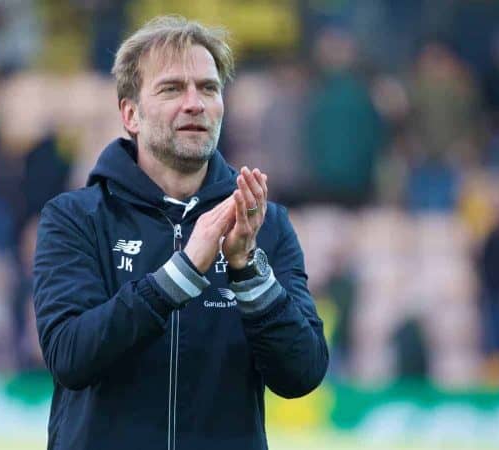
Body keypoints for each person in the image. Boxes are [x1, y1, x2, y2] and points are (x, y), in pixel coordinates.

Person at [33, 15, 328, 450]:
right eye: (172, 89)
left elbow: (302, 374)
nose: (196, 103)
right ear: (130, 113)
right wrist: (183, 272)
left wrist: (247, 273)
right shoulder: (75, 217)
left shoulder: (265, 223)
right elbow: (70, 356)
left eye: (208, 88)